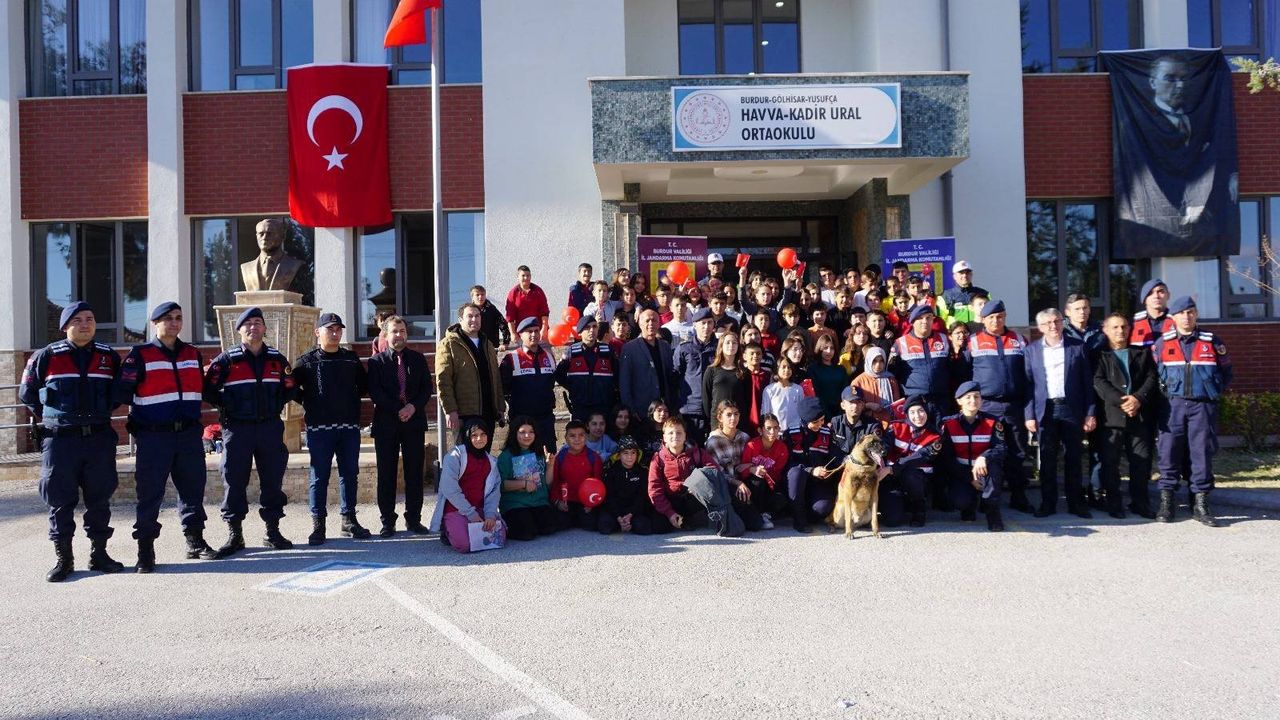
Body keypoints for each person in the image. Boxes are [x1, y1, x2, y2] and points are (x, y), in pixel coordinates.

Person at [21, 301, 124, 581]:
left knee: (99, 499)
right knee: (59, 500)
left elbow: (118, 393)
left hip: (98, 438)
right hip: (61, 441)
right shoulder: (46, 355)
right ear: (65, 326)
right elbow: (28, 393)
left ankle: (99, 553)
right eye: (77, 319)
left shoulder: (108, 356)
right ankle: (64, 559)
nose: (85, 324)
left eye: (90, 318)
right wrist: (56, 417)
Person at [113, 302, 214, 572]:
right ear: (155, 323)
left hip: (189, 435)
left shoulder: (193, 353)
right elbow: (122, 393)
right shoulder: (140, 354)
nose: (174, 323)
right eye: (167, 318)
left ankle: (195, 541)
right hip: (154, 437)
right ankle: (145, 550)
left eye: (178, 318)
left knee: (193, 490)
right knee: (149, 495)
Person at [202, 307, 298, 556]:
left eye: (258, 322)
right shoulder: (226, 360)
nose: (253, 327)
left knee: (272, 480)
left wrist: (276, 404)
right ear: (239, 329)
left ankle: (272, 532)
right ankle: (235, 535)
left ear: (265, 329)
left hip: (269, 427)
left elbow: (290, 387)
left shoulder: (277, 359)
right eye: (248, 324)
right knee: (234, 481)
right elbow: (208, 389)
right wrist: (226, 404)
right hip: (237, 429)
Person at [1152, 296, 1232, 526]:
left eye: (1190, 312)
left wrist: (1212, 394)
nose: (1186, 317)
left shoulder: (1212, 341)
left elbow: (1227, 373)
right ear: (1173, 317)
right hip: (1172, 405)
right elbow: (1156, 374)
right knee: (1168, 453)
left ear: (1196, 314)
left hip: (1202, 406)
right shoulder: (1162, 344)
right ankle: (1167, 504)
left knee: (1201, 454)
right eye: (1181, 313)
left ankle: (1201, 504)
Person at [293, 313, 371, 546]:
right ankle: (319, 525)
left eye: (338, 329)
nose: (335, 334)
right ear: (318, 332)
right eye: (330, 329)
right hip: (319, 429)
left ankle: (348, 520)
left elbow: (363, 386)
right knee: (319, 477)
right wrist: (310, 401)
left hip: (348, 427)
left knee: (350, 474)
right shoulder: (306, 361)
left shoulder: (350, 359)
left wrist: (348, 402)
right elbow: (290, 388)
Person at [1024, 308, 1096, 518]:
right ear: (1040, 327)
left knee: (1073, 458)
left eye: (1056, 321)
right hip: (1045, 409)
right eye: (1047, 323)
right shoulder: (1032, 351)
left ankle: (1076, 504)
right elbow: (1028, 385)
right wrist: (1029, 415)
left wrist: (1090, 412)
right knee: (1047, 459)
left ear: (1062, 322)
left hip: (1071, 409)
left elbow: (1087, 383)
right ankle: (1048, 503)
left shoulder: (1077, 347)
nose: (1053, 326)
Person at [965, 299, 1034, 513]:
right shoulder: (973, 341)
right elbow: (964, 374)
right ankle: (987, 497)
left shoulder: (1019, 340)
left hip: (1014, 406)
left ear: (1005, 317)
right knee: (987, 452)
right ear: (983, 319)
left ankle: (1019, 496)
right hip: (986, 406)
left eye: (1000, 316)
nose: (996, 320)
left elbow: (1029, 375)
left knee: (1018, 452)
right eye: (991, 317)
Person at [367, 315, 432, 537]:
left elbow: (426, 389)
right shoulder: (376, 362)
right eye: (395, 331)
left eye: (402, 331)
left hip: (414, 423)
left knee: (415, 473)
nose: (399, 335)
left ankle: (414, 519)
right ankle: (388, 521)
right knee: (387, 474)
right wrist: (398, 409)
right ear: (386, 335)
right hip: (387, 424)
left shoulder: (418, 359)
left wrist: (412, 407)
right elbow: (375, 392)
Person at [1093, 313, 1159, 519]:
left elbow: (1151, 379)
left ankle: (1140, 503)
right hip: (1112, 419)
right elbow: (1099, 383)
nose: (1120, 331)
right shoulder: (1099, 356)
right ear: (1105, 330)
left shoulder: (1142, 354)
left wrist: (1137, 399)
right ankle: (1114, 503)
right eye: (1114, 327)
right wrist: (1124, 402)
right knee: (1110, 463)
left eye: (1123, 327)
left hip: (1139, 417)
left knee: (1141, 462)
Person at [648, 416, 753, 536]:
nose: (675, 436)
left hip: (693, 498)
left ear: (685, 435)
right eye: (670, 433)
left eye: (679, 432)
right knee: (659, 527)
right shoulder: (658, 459)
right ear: (664, 437)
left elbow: (714, 471)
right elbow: (655, 490)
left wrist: (698, 486)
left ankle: (725, 518)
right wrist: (669, 513)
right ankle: (679, 519)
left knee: (719, 487)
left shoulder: (697, 453)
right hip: (671, 500)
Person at [939, 382, 1006, 531]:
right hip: (961, 472)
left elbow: (1000, 447)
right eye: (968, 397)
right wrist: (969, 478)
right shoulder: (948, 423)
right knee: (960, 501)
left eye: (976, 396)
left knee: (994, 468)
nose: (973, 401)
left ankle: (993, 514)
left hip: (984, 470)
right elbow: (947, 459)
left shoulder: (993, 421)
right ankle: (969, 507)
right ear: (959, 401)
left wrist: (984, 457)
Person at [432, 419, 505, 553]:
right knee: (464, 545)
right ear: (467, 436)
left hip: (480, 509)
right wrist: (470, 514)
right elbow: (449, 488)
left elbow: (494, 492)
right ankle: (447, 530)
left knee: (499, 537)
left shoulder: (492, 462)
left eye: (483, 434)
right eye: (474, 435)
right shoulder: (454, 457)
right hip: (457, 509)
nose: (479, 439)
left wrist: (490, 515)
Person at [437, 303, 505, 439]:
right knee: (465, 458)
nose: (474, 319)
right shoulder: (448, 344)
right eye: (470, 316)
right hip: (464, 414)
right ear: (460, 319)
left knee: (484, 458)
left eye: (477, 316)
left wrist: (500, 407)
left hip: (488, 413)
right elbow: (443, 380)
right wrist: (450, 410)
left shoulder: (488, 344)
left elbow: (496, 378)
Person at [882, 395, 943, 527]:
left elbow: (922, 456)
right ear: (907, 415)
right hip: (892, 479)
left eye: (921, 411)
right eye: (913, 412)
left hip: (917, 480)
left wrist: (893, 468)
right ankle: (900, 503)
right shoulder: (896, 427)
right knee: (892, 520)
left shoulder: (935, 437)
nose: (918, 416)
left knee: (910, 473)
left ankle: (918, 510)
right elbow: (884, 446)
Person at [501, 317, 558, 456]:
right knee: (522, 463)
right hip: (522, 421)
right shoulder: (510, 359)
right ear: (520, 334)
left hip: (545, 420)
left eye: (536, 331)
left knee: (548, 459)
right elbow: (502, 389)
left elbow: (551, 384)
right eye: (529, 331)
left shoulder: (549, 357)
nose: (534, 335)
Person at [497, 417, 559, 541]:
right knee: (526, 533)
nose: (527, 435)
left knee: (550, 528)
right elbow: (501, 485)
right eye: (522, 432)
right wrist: (523, 484)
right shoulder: (505, 456)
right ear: (515, 433)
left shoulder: (540, 453)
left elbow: (546, 484)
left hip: (539, 502)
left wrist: (550, 466)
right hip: (515, 504)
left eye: (531, 432)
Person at [783, 397, 839, 533]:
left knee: (822, 508)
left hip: (818, 482)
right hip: (796, 481)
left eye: (822, 420)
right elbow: (787, 463)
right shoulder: (791, 434)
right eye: (815, 422)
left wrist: (828, 469)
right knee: (796, 473)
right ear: (805, 420)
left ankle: (808, 513)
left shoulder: (827, 433)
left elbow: (835, 456)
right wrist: (810, 470)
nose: (820, 424)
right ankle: (799, 520)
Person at [889, 305, 952, 418]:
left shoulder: (944, 339)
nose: (925, 321)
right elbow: (892, 374)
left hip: (941, 401)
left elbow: (951, 368)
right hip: (915, 403)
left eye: (928, 317)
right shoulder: (900, 343)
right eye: (920, 318)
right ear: (912, 322)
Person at [554, 315, 618, 423]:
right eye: (587, 328)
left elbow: (618, 375)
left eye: (594, 327)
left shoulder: (608, 350)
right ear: (580, 332)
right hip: (580, 407)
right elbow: (558, 375)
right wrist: (573, 386)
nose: (591, 330)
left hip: (603, 406)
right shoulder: (572, 351)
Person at [599, 436, 663, 535]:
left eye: (633, 452)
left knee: (644, 527)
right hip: (615, 511)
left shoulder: (642, 471)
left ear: (638, 454)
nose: (630, 456)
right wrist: (618, 517)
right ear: (619, 455)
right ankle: (621, 523)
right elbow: (609, 496)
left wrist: (630, 514)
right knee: (605, 526)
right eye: (625, 453)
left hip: (634, 511)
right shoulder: (611, 472)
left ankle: (627, 523)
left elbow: (642, 496)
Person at [671, 307, 717, 444]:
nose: (706, 327)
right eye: (702, 323)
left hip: (713, 408)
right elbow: (674, 377)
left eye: (709, 323)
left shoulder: (719, 348)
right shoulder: (684, 348)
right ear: (695, 325)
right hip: (690, 409)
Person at [619, 308, 675, 418]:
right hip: (641, 408)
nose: (651, 324)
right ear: (640, 324)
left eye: (654, 320)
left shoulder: (665, 347)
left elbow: (669, 377)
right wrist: (631, 410)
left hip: (663, 410)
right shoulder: (630, 348)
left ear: (659, 323)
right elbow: (624, 382)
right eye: (647, 321)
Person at [550, 421, 605, 530]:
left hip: (585, 503)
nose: (577, 439)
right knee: (558, 523)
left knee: (591, 524)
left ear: (586, 437)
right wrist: (557, 502)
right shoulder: (560, 457)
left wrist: (592, 504)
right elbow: (555, 481)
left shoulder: (593, 457)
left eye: (581, 435)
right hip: (566, 501)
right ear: (566, 438)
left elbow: (598, 484)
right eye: (572, 436)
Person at [739, 413, 790, 525]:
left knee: (781, 499)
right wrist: (752, 469)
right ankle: (756, 514)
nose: (772, 432)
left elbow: (777, 474)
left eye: (776, 428)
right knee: (757, 481)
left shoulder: (782, 448)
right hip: (752, 484)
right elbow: (741, 470)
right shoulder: (751, 446)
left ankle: (766, 514)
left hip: (770, 484)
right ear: (760, 430)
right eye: (768, 428)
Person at [852, 346, 903, 423]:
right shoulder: (858, 381)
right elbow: (852, 406)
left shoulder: (890, 379)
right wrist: (868, 405)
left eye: (881, 361)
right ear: (868, 361)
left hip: (890, 423)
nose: (878, 365)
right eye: (874, 361)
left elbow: (897, 404)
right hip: (867, 424)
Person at [505, 265, 550, 344]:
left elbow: (545, 312)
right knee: (524, 356)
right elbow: (510, 317)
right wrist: (512, 333)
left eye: (528, 275)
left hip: (538, 333)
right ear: (518, 277)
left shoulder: (538, 291)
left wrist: (544, 329)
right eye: (523, 276)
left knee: (545, 355)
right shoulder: (513, 293)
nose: (526, 278)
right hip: (522, 335)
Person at [808, 334, 850, 419]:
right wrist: (826, 415)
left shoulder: (841, 369)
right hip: (821, 414)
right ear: (819, 349)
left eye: (832, 348)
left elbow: (845, 391)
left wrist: (841, 413)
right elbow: (816, 393)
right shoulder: (813, 369)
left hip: (840, 412)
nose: (829, 351)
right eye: (825, 348)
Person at [761, 357, 805, 431]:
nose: (786, 370)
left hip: (795, 431)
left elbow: (802, 411)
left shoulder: (798, 389)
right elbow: (765, 412)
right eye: (783, 367)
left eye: (789, 367)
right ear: (777, 369)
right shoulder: (769, 389)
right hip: (776, 432)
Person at [1130, 278, 1173, 349]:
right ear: (1144, 299)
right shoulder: (1132, 324)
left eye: (1161, 292)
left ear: (1168, 295)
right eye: (1150, 293)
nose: (1156, 296)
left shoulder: (1178, 320)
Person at [740, 343, 772, 433]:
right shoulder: (740, 375)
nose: (755, 356)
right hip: (745, 420)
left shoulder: (767, 376)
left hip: (763, 420)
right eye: (752, 353)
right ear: (745, 356)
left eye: (758, 353)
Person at [470, 285, 511, 349]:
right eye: (477, 295)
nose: (480, 297)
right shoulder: (468, 311)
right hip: (474, 346)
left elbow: (503, 324)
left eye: (482, 294)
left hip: (491, 346)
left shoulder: (491, 309)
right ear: (472, 297)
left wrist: (506, 342)